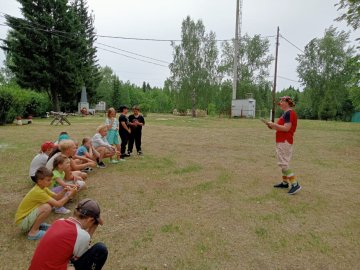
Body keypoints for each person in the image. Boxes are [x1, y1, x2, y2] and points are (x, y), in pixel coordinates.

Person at [29, 198, 108, 270]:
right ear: (90, 220)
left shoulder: (59, 221)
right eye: (94, 222)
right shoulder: (81, 235)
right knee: (100, 249)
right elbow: (83, 258)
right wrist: (92, 229)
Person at [15, 167, 77, 240]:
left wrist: (64, 191)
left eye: (50, 179)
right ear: (39, 181)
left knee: (47, 205)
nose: (50, 182)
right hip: (22, 222)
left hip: (25, 219)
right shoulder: (38, 192)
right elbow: (58, 204)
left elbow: (56, 197)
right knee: (47, 207)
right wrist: (69, 195)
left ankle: (37, 226)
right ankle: (33, 233)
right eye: (48, 180)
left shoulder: (42, 187)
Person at [266, 96, 301, 195]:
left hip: (284, 140)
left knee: (284, 163)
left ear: (287, 103)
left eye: (282, 101)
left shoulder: (289, 113)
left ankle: (295, 184)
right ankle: (285, 183)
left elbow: (286, 128)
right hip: (282, 140)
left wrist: (274, 125)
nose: (280, 103)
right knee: (283, 162)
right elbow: (281, 127)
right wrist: (272, 126)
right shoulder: (286, 113)